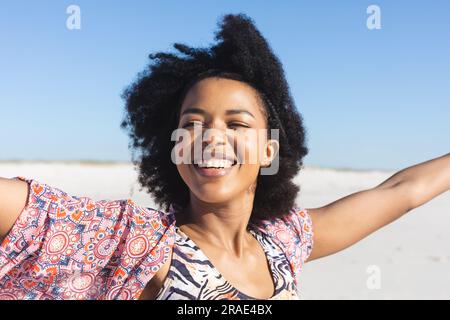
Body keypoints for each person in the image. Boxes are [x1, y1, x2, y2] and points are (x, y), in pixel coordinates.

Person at [0, 13, 449, 300]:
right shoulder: (138, 241)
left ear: (269, 150)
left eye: (236, 124)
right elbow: (25, 211)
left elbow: (400, 191)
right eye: (194, 124)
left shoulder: (285, 240)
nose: (211, 139)